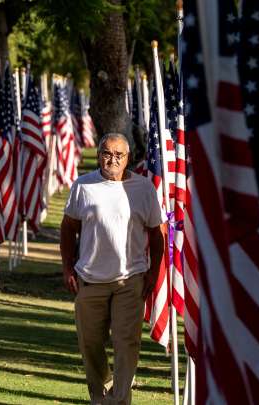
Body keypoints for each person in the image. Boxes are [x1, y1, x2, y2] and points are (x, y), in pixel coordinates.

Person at [60, 132, 165, 405]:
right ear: (99, 154)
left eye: (119, 155)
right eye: (107, 153)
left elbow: (157, 234)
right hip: (89, 279)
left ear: (128, 157)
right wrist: (67, 268)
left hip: (129, 281)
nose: (112, 160)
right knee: (90, 344)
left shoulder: (143, 188)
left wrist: (153, 273)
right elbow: (68, 228)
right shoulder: (83, 186)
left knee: (126, 344)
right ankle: (101, 396)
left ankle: (120, 400)